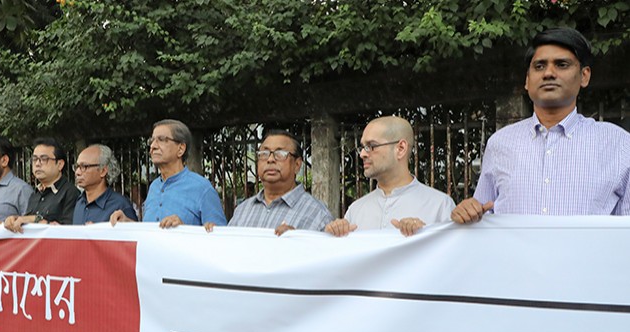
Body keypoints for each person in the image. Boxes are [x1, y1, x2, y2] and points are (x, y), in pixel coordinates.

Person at [452, 27, 630, 223]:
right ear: (527, 80)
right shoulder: (500, 144)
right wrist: (467, 212)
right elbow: (482, 218)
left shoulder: (618, 144)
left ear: (584, 76)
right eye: (539, 66)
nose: (549, 73)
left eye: (562, 64)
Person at [326, 116, 455, 237]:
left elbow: (452, 256)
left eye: (371, 146)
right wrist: (333, 235)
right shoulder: (355, 211)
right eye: (363, 147)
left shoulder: (440, 206)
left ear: (400, 149)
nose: (363, 154)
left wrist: (424, 236)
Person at [205, 130, 331, 235]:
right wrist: (215, 235)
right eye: (264, 153)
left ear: (297, 165)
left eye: (280, 154)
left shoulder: (317, 214)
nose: (270, 159)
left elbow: (325, 260)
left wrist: (298, 241)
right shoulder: (243, 210)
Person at [110, 119, 227, 228]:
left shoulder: (202, 188)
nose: (153, 146)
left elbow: (219, 239)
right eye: (151, 141)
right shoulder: (154, 187)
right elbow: (150, 233)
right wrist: (126, 223)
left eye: (161, 140)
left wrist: (183, 230)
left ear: (180, 149)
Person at [5, 144, 136, 231]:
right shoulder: (79, 202)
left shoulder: (120, 205)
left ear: (103, 171)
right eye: (77, 167)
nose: (78, 172)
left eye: (84, 167)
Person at [17, 137, 80, 225]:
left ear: (60, 164)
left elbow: (69, 231)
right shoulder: (35, 194)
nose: (38, 164)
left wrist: (37, 220)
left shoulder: (70, 193)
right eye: (35, 159)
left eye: (44, 159)